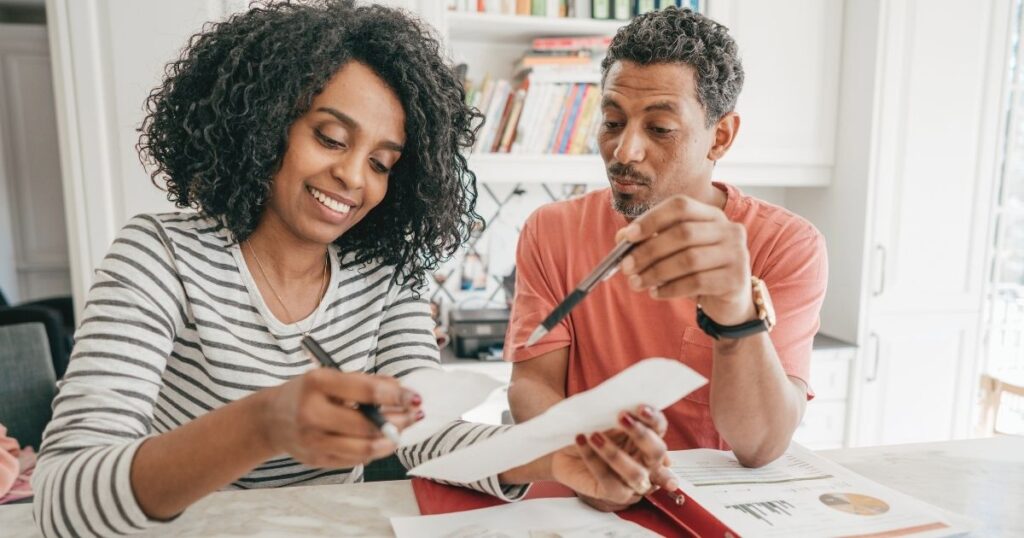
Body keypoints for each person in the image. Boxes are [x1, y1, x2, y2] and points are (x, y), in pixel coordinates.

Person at [31, 3, 676, 536]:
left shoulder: (383, 276)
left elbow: (426, 437)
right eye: (332, 139)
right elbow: (63, 494)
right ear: (263, 126)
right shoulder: (159, 257)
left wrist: (557, 457)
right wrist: (263, 424)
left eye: (382, 162)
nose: (352, 177)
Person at [506, 6, 829, 511]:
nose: (624, 151)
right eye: (612, 121)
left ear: (719, 137)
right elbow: (531, 385)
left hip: (712, 509)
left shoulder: (786, 245)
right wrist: (589, 454)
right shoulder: (551, 231)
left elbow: (761, 445)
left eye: (659, 129)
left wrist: (734, 306)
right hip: (586, 501)